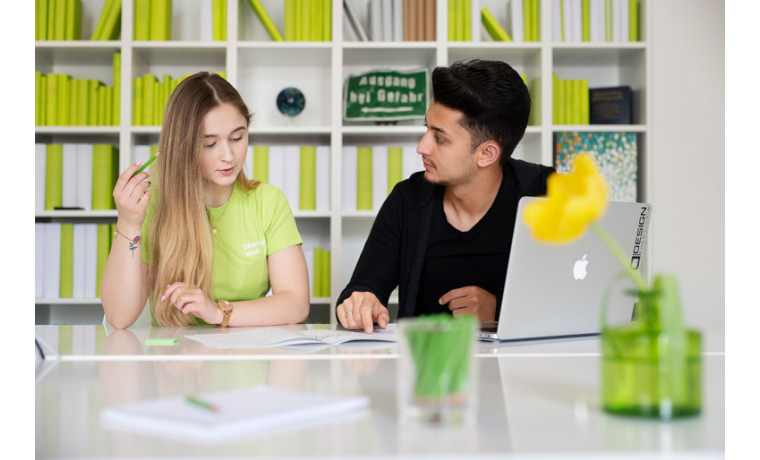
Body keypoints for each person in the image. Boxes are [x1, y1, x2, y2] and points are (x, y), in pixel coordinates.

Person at [336, 59, 555, 333]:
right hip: (426, 370)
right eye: (426, 128)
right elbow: (360, 289)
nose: (422, 146)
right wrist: (360, 303)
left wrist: (498, 311)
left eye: (439, 137)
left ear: (486, 154)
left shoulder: (547, 193)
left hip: (527, 371)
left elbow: (578, 301)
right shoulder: (408, 200)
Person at [101, 72, 310, 329]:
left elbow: (296, 304)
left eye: (237, 138)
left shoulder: (269, 202)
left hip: (246, 360)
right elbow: (119, 317)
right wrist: (128, 223)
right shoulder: (153, 207)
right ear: (181, 147)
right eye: (209, 144)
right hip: (175, 361)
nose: (228, 156)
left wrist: (218, 312)